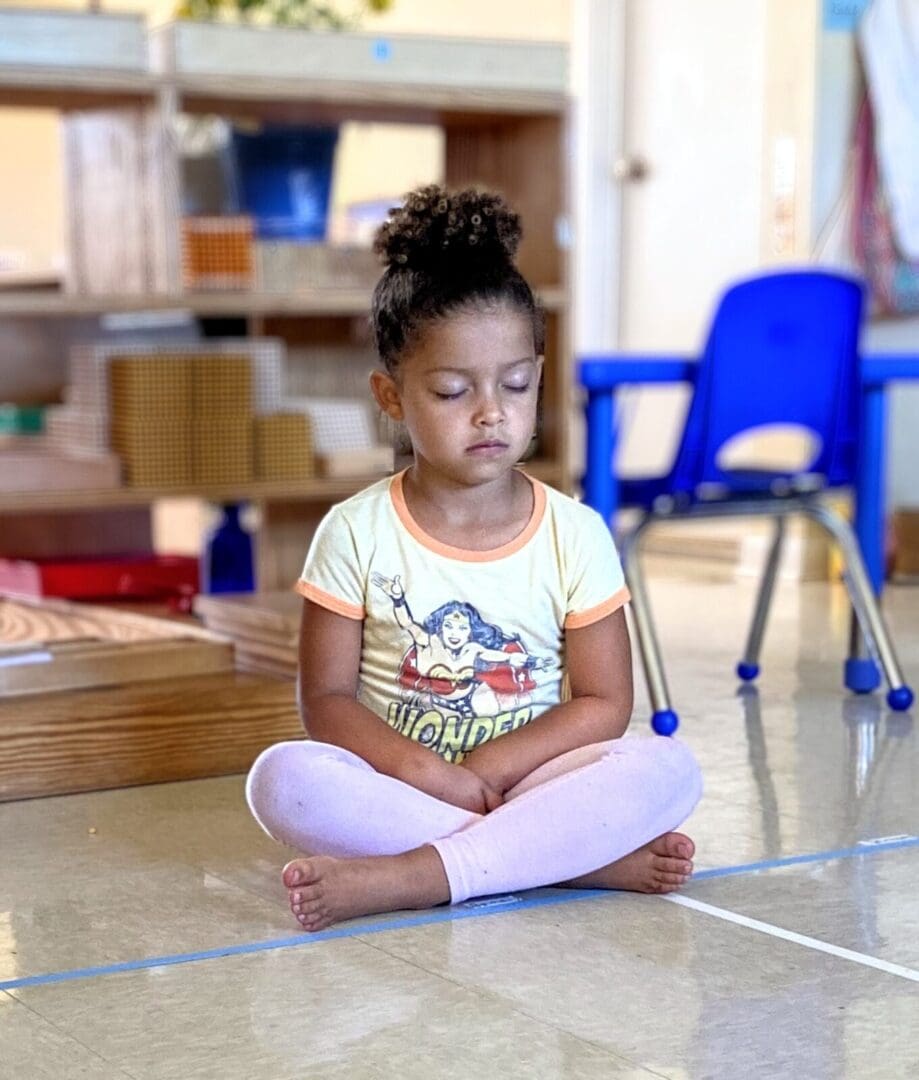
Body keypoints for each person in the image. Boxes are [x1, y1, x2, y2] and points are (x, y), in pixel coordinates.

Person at [246, 184, 703, 932]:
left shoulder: (576, 532)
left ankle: (418, 876)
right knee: (284, 780)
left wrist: (489, 771)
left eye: (516, 385)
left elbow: (603, 703)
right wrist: (426, 772)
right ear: (390, 398)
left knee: (667, 767)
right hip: (408, 787)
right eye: (453, 390)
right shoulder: (353, 531)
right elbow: (324, 701)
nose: (492, 411)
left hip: (529, 783)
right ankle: (569, 861)